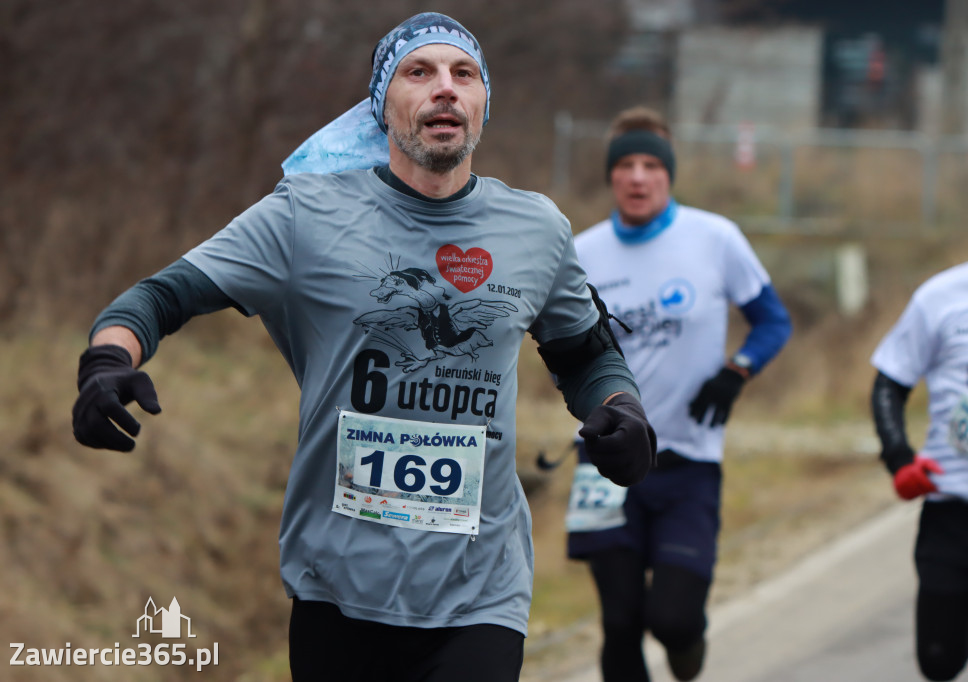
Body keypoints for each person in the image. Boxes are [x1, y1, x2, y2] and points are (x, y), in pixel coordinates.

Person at [70, 13, 657, 682]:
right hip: (337, 586)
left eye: (463, 74)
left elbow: (586, 354)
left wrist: (622, 408)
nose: (445, 88)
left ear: (483, 102)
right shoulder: (304, 216)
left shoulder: (536, 228)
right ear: (383, 102)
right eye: (420, 72)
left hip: (481, 589)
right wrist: (108, 361)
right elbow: (157, 298)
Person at [565, 107, 792, 681]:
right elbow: (560, 349)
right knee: (619, 622)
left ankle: (688, 650)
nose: (638, 177)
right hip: (606, 461)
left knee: (672, 617)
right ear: (611, 176)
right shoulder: (580, 253)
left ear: (669, 174)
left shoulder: (715, 239)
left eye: (650, 165)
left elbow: (772, 321)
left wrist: (735, 372)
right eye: (625, 166)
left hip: (690, 461)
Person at [870, 169, 968, 681]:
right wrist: (900, 460)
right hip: (953, 506)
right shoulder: (941, 298)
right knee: (938, 663)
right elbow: (890, 381)